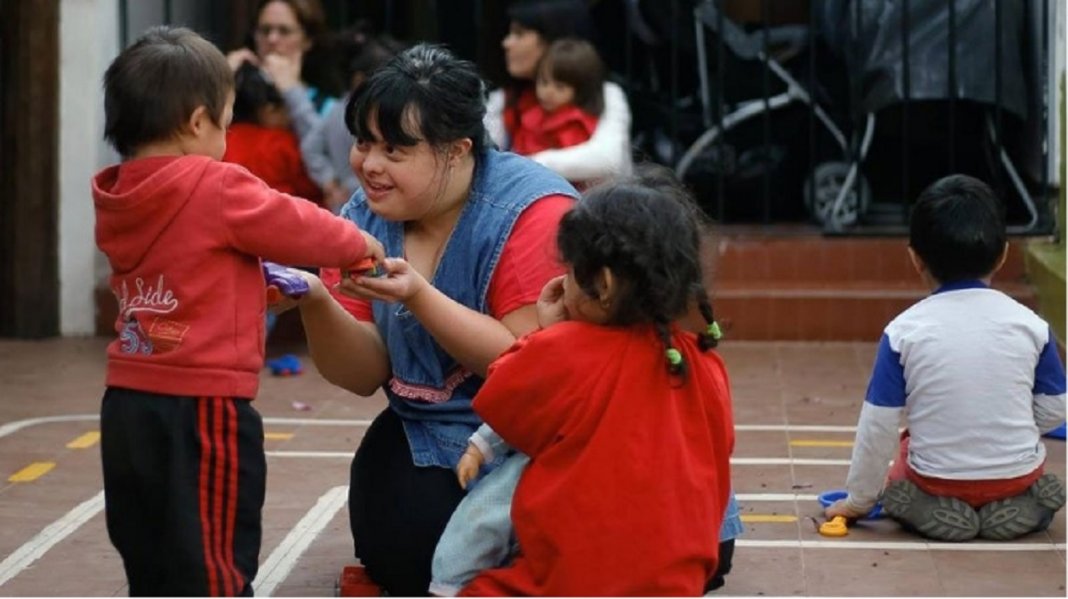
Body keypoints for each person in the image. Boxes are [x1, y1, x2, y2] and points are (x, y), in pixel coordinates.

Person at [92, 26, 384, 596]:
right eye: (226, 120)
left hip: (127, 400)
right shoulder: (215, 183)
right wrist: (358, 243)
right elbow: (292, 223)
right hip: (202, 407)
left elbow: (190, 265)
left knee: (150, 548)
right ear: (198, 122)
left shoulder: (117, 192)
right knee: (215, 557)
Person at [287, 44, 579, 596]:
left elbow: (530, 367)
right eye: (363, 143)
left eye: (394, 150)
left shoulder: (533, 211)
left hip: (534, 436)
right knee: (398, 547)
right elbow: (361, 373)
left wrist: (419, 296)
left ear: (456, 151)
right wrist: (313, 300)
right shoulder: (357, 217)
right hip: (429, 430)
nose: (369, 165)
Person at [431, 169, 735, 595]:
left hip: (575, 580)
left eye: (572, 271)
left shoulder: (568, 350)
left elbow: (505, 398)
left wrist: (546, 332)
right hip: (677, 581)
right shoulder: (701, 364)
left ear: (603, 284)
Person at [824, 174, 1066, 541]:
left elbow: (878, 426)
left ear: (915, 258)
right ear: (1002, 254)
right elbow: (1058, 409)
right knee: (1028, 475)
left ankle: (918, 508)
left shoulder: (902, 332)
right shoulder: (1032, 326)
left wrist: (858, 501)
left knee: (904, 462)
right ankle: (1029, 505)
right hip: (1015, 476)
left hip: (937, 481)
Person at [485, 0, 633, 185]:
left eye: (519, 34)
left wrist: (524, 164)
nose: (506, 43)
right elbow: (484, 164)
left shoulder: (606, 93)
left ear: (552, 39)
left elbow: (608, 160)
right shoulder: (503, 100)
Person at [300, 30, 405, 212]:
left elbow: (310, 147)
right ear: (358, 80)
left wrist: (329, 181)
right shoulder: (365, 114)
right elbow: (310, 147)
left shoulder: (335, 110)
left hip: (345, 203)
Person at [226, 0, 341, 142]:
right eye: (265, 30)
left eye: (284, 31)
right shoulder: (236, 92)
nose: (272, 39)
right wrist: (222, 81)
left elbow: (322, 154)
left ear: (308, 40)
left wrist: (292, 92)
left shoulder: (329, 109)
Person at [223, 61, 323, 205]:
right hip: (283, 217)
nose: (289, 117)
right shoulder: (281, 142)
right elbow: (312, 187)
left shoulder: (224, 138)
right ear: (269, 110)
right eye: (285, 109)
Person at [510, 38, 603, 160]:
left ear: (580, 89)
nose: (548, 92)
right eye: (543, 82)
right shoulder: (530, 111)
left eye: (560, 87)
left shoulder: (576, 124)